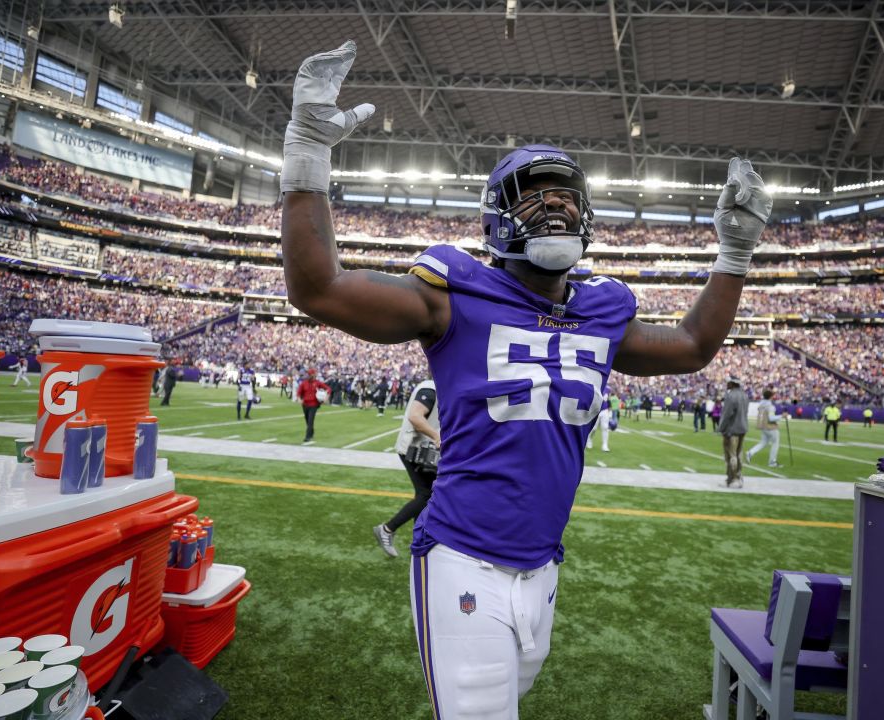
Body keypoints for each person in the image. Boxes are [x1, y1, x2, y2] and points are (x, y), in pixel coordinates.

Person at [279, 39, 771, 720]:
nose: (554, 209)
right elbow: (319, 289)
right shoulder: (454, 292)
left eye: (566, 198)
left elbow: (692, 346)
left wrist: (735, 250)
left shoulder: (600, 309)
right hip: (461, 556)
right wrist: (307, 151)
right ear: (496, 214)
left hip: (544, 565)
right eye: (532, 196)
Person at [375, 378, 441, 558]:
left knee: (425, 495)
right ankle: (387, 529)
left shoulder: (435, 386)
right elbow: (415, 416)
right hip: (415, 450)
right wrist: (436, 435)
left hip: (420, 450)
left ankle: (419, 538)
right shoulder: (431, 388)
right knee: (425, 495)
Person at [717, 377, 750, 488]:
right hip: (743, 427)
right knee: (739, 453)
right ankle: (737, 477)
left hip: (732, 429)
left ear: (732, 384)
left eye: (728, 382)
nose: (727, 384)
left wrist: (721, 428)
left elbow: (727, 414)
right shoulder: (745, 395)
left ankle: (733, 478)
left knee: (731, 455)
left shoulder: (731, 396)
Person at [746, 388, 781, 468]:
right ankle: (772, 461)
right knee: (775, 443)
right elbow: (771, 418)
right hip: (769, 426)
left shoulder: (761, 403)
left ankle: (750, 452)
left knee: (763, 442)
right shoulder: (770, 406)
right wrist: (781, 416)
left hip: (762, 424)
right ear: (771, 396)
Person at [295, 368, 331, 444]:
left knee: (311, 420)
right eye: (308, 374)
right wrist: (299, 399)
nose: (308, 375)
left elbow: (328, 389)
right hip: (305, 404)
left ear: (314, 375)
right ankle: (311, 433)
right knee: (307, 420)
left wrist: (326, 397)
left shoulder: (318, 383)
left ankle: (307, 437)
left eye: (310, 374)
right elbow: (298, 392)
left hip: (314, 405)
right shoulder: (304, 383)